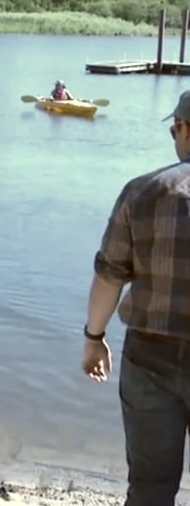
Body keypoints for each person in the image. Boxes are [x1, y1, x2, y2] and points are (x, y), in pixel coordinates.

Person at [82, 89, 190, 505]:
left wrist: (94, 338)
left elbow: (109, 276)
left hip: (150, 358)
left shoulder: (142, 192)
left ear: (179, 128)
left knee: (149, 488)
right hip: (150, 359)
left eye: (174, 128)